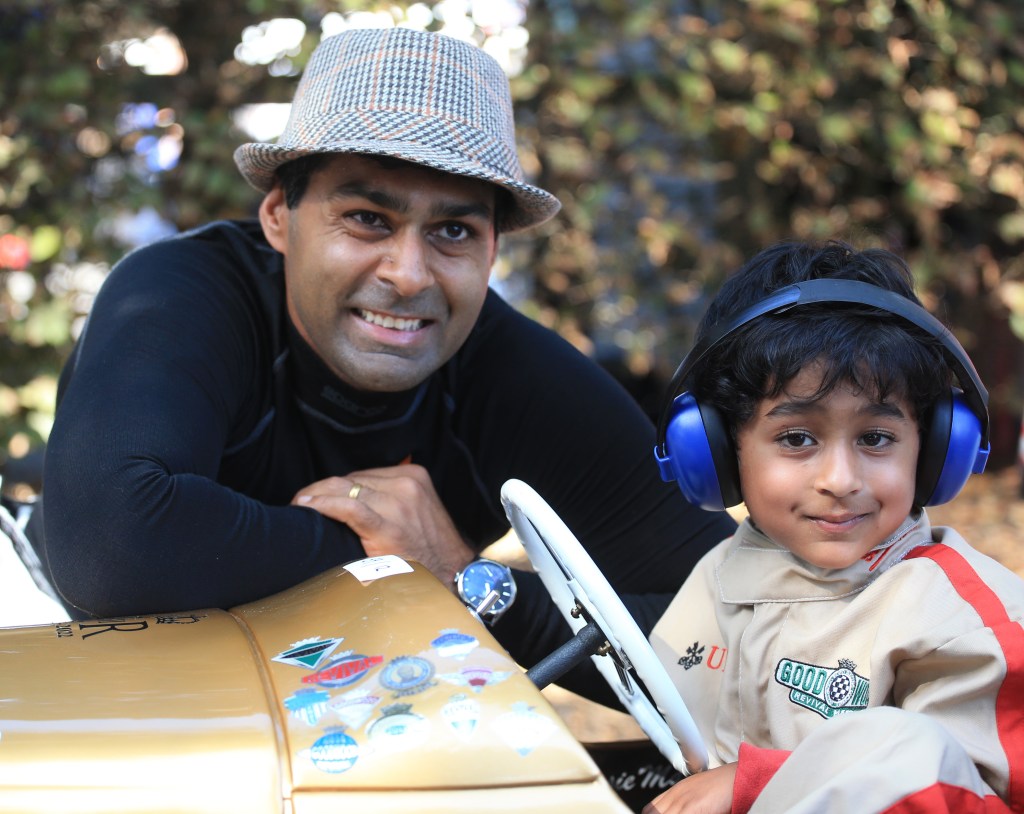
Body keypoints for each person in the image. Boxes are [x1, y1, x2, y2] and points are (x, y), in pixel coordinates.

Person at [37, 27, 734, 703]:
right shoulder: (188, 292)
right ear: (280, 215)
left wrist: (466, 580)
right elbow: (113, 550)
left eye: (453, 231)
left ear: (492, 252)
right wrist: (383, 560)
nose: (408, 274)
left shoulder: (510, 373)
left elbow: (739, 634)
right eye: (368, 217)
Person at [645, 240, 1024, 812]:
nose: (840, 479)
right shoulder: (722, 573)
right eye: (797, 438)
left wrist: (755, 785)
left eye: (875, 438)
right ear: (719, 452)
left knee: (905, 745)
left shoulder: (963, 624)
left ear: (933, 451)